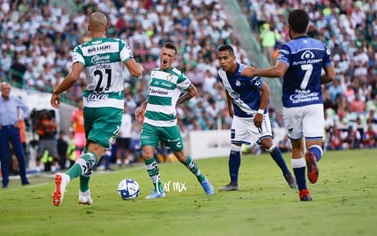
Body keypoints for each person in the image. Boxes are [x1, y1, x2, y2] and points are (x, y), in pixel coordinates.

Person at [50, 11, 143, 206]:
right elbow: (135, 72)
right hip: (111, 107)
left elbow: (73, 77)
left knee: (89, 148)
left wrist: (57, 91)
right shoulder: (118, 45)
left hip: (90, 106)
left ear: (88, 28)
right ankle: (66, 178)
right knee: (96, 152)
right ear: (107, 27)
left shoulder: (81, 49)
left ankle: (84, 193)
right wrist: (140, 68)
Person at [243, 9, 335, 201]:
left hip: (293, 104)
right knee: (315, 146)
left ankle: (303, 191)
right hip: (314, 103)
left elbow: (279, 71)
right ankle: (314, 158)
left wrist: (255, 71)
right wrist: (315, 83)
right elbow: (332, 76)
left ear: (289, 28)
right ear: (308, 25)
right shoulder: (321, 46)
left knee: (296, 149)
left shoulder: (287, 48)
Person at [135, 42, 214, 199]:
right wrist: (143, 106)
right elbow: (152, 94)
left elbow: (193, 91)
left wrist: (176, 102)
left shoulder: (178, 76)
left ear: (174, 59)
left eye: (169, 56)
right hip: (150, 121)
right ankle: (158, 189)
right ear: (160, 55)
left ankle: (202, 178)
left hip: (168, 124)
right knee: (147, 153)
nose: (166, 57)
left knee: (182, 157)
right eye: (164, 54)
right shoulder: (154, 72)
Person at [216, 44, 296, 192]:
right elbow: (228, 89)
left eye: (225, 58)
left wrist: (260, 113)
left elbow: (266, 90)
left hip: (256, 114)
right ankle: (233, 183)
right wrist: (229, 107)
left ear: (233, 58)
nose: (222, 62)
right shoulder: (221, 73)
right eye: (220, 58)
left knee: (267, 144)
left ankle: (288, 174)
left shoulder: (246, 72)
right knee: (234, 147)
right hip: (240, 117)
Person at [0, 82, 31, 188]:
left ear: (10, 89)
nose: (7, 90)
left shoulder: (14, 99)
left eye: (8, 88)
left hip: (14, 128)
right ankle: (5, 182)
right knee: (4, 156)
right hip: (2, 130)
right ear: (1, 90)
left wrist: (21, 119)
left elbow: (26, 109)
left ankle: (24, 179)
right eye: (4, 89)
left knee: (20, 154)